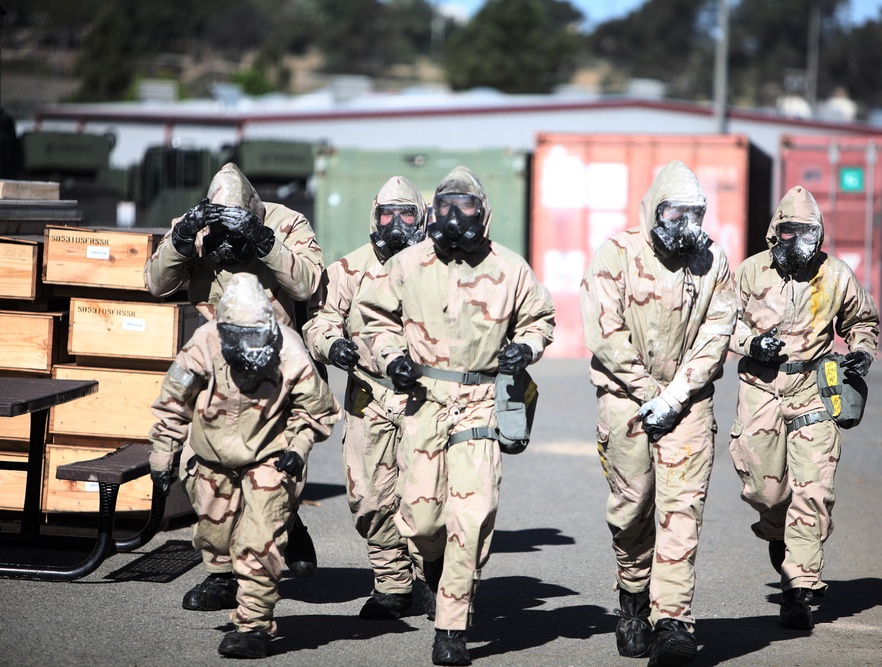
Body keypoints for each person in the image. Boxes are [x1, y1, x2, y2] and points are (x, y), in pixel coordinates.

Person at [356, 166, 555, 666]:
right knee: (422, 522)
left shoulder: (510, 268)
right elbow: (376, 316)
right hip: (422, 401)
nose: (451, 215)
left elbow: (540, 318)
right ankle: (435, 563)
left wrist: (525, 348)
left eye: (463, 205)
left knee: (473, 512)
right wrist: (392, 355)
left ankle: (452, 626)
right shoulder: (408, 264)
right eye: (442, 205)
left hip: (482, 400)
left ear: (482, 212)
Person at [144, 162, 326, 609]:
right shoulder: (194, 224)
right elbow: (155, 283)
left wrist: (263, 242)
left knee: (271, 469)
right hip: (215, 365)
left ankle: (285, 527)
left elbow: (308, 283)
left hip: (273, 365)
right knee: (203, 471)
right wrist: (183, 239)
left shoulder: (285, 223)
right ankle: (221, 575)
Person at [580, 160, 737, 667]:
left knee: (680, 512)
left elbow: (717, 335)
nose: (684, 225)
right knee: (632, 510)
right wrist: (650, 391)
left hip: (687, 404)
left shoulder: (713, 262)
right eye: (673, 213)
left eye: (694, 214)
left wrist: (674, 396)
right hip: (626, 400)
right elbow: (605, 336)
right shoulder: (615, 255)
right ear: (653, 211)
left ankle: (673, 623)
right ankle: (632, 600)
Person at [147, 273, 341, 659]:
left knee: (258, 542)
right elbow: (173, 401)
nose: (249, 348)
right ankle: (236, 573)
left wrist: (298, 447)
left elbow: (318, 410)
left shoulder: (290, 350)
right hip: (213, 457)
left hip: (271, 457)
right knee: (215, 539)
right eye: (239, 338)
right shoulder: (204, 343)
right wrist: (163, 452)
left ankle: (253, 626)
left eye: (256, 338)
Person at [727, 185, 879, 631]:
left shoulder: (835, 274)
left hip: (814, 386)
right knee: (767, 493)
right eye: (791, 231)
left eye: (808, 232)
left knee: (813, 489)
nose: (800, 241)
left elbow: (861, 320)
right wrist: (751, 342)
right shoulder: (749, 272)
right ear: (776, 232)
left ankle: (799, 589)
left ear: (820, 235)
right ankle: (779, 533)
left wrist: (863, 351)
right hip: (760, 388)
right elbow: (720, 323)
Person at [303, 175, 428, 620]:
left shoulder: (440, 266)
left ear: (423, 217)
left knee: (428, 498)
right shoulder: (348, 270)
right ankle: (392, 585)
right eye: (387, 214)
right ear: (373, 218)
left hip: (426, 399)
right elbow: (318, 322)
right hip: (368, 399)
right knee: (370, 499)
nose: (396, 224)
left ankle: (429, 575)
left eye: (406, 214)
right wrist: (331, 345)